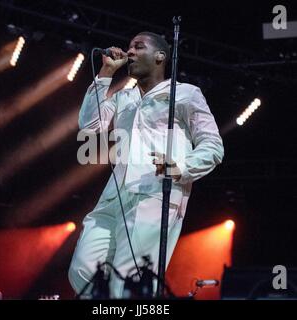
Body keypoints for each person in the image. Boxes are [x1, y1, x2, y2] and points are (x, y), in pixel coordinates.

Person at [68, 31, 224, 298]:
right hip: (115, 194)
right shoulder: (123, 98)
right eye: (129, 47)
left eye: (138, 47)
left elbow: (213, 145)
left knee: (129, 282)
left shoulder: (185, 94)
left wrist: (181, 168)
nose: (130, 52)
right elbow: (90, 126)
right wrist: (105, 72)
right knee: (82, 268)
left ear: (160, 56)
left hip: (155, 191)